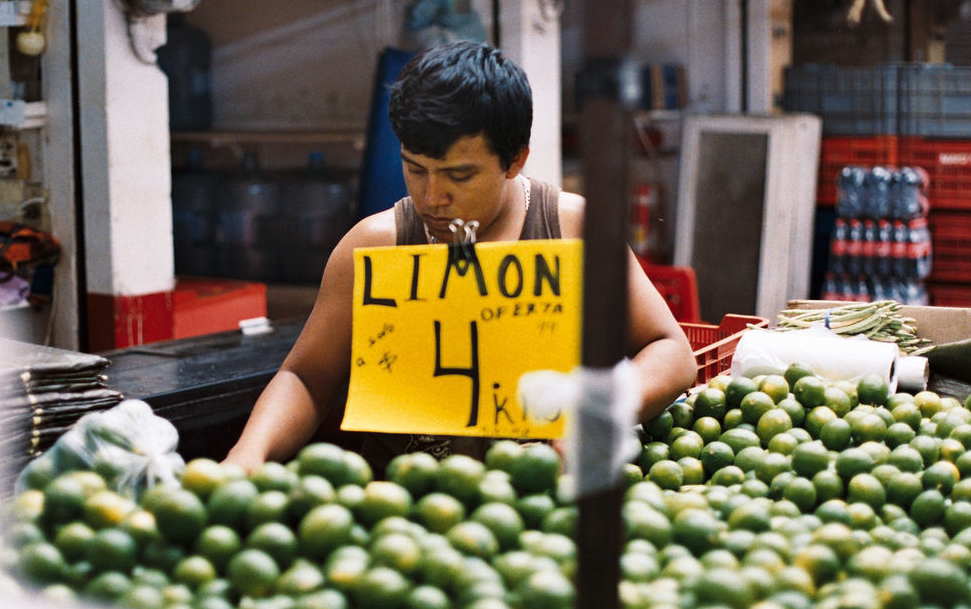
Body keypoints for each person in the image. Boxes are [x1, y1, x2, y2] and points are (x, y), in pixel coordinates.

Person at [225, 41, 696, 473]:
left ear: (515, 160)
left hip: (539, 505)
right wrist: (248, 454)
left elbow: (671, 352)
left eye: (459, 175)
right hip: (401, 515)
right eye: (416, 169)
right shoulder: (373, 247)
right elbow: (307, 378)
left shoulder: (575, 231)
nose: (433, 197)